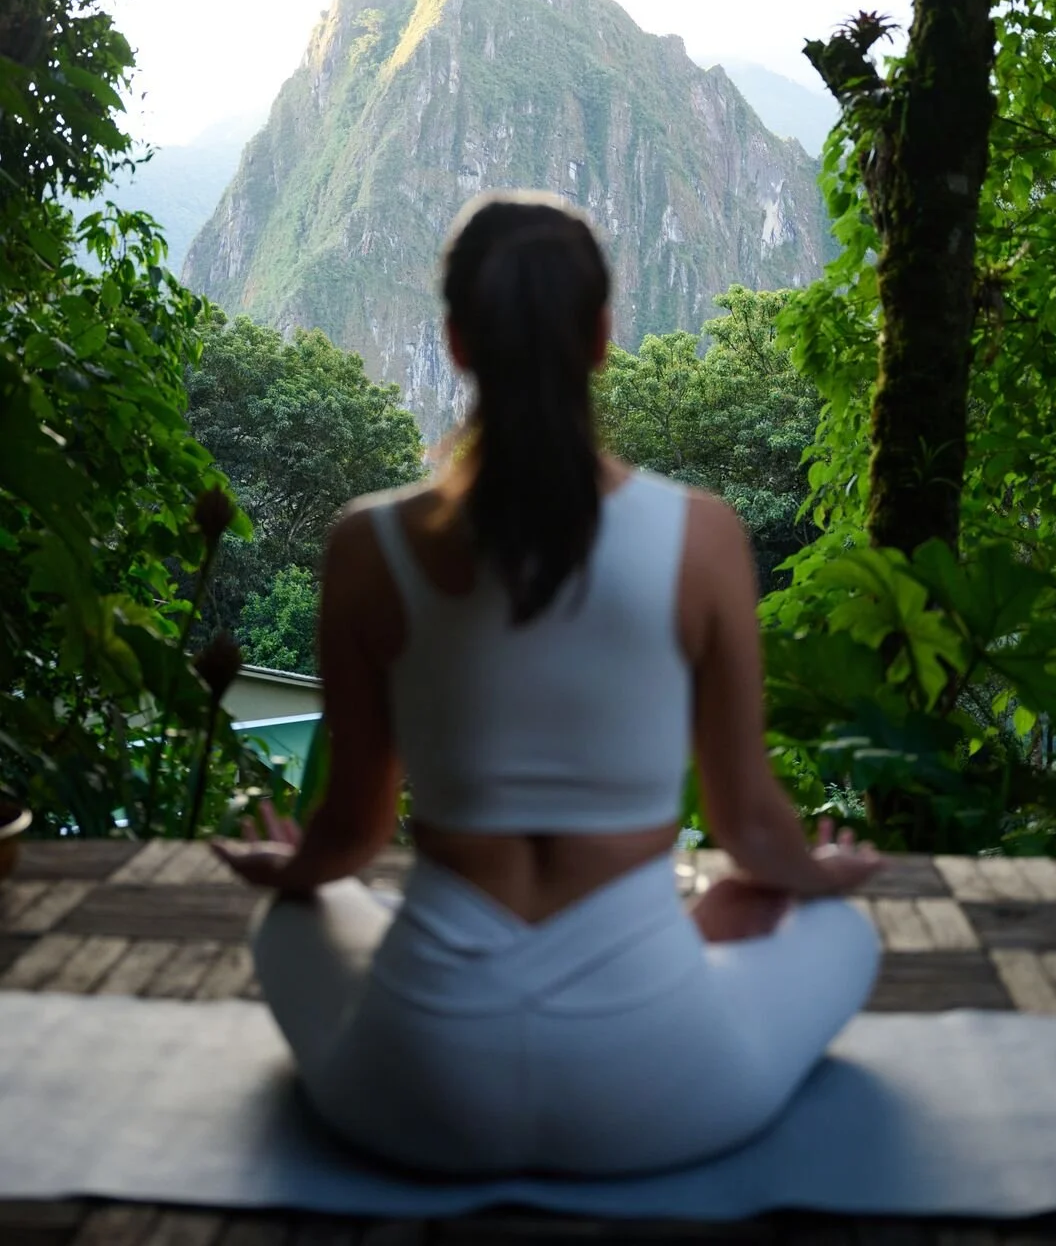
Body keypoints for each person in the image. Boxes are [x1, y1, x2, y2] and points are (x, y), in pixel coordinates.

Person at [214, 191, 881, 1176]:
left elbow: (354, 829)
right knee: (842, 933)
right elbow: (747, 824)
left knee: (295, 918)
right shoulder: (701, 537)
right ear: (603, 336)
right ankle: (697, 936)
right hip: (657, 1088)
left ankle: (680, 936)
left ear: (455, 342)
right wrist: (813, 879)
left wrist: (292, 871)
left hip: (420, 1087)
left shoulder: (368, 543)